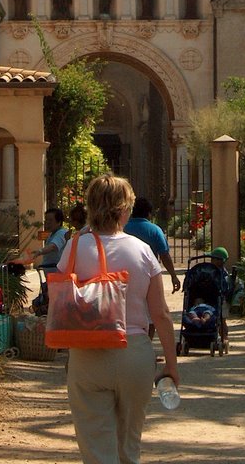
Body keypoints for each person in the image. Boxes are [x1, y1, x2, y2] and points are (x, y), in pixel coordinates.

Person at [58, 174, 180, 464]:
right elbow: (161, 314)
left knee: (97, 449)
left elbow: (59, 301)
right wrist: (171, 365)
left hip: (87, 353)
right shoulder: (142, 252)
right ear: (124, 208)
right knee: (129, 447)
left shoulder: (74, 248)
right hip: (134, 352)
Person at [124, 197, 181, 293]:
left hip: (125, 274)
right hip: (149, 274)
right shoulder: (155, 230)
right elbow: (164, 255)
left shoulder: (123, 228)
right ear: (149, 213)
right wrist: (173, 276)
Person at [32, 208, 69, 274]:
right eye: (46, 220)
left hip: (56, 273)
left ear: (59, 222)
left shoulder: (61, 233)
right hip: (50, 272)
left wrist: (40, 252)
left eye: (50, 220)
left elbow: (52, 247)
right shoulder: (52, 234)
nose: (47, 223)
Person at [208, 246, 232, 343]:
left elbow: (226, 288)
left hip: (222, 300)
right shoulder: (210, 271)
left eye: (213, 259)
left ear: (220, 261)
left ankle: (224, 337)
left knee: (222, 320)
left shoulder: (223, 274)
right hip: (211, 298)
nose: (211, 261)